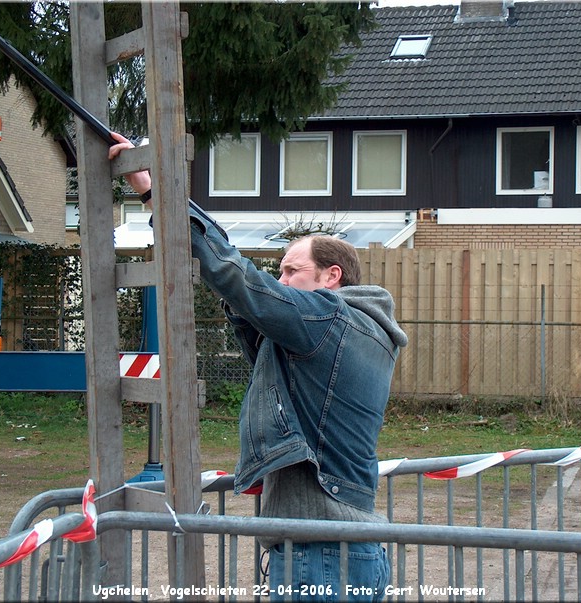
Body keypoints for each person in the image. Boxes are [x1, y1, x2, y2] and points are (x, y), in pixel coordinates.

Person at [109, 133, 408, 601]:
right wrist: (163, 196)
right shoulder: (350, 331)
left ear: (332, 277)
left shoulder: (328, 317)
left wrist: (153, 192)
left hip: (320, 552)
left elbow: (241, 279)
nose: (282, 281)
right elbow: (245, 290)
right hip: (339, 547)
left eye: (293, 272)